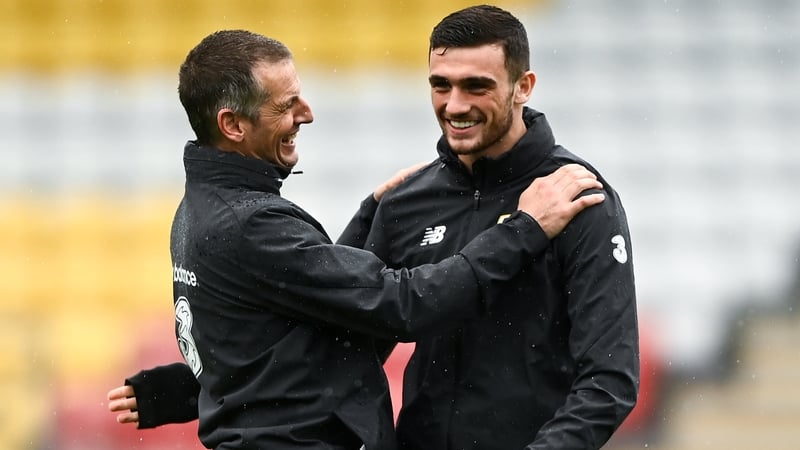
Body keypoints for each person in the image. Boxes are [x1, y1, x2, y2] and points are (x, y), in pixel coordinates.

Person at [107, 27, 607, 450]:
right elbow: (401, 306)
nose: (307, 113)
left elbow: (292, 324)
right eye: (286, 104)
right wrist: (524, 229)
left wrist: (372, 215)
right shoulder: (252, 224)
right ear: (233, 125)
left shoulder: (201, 209)